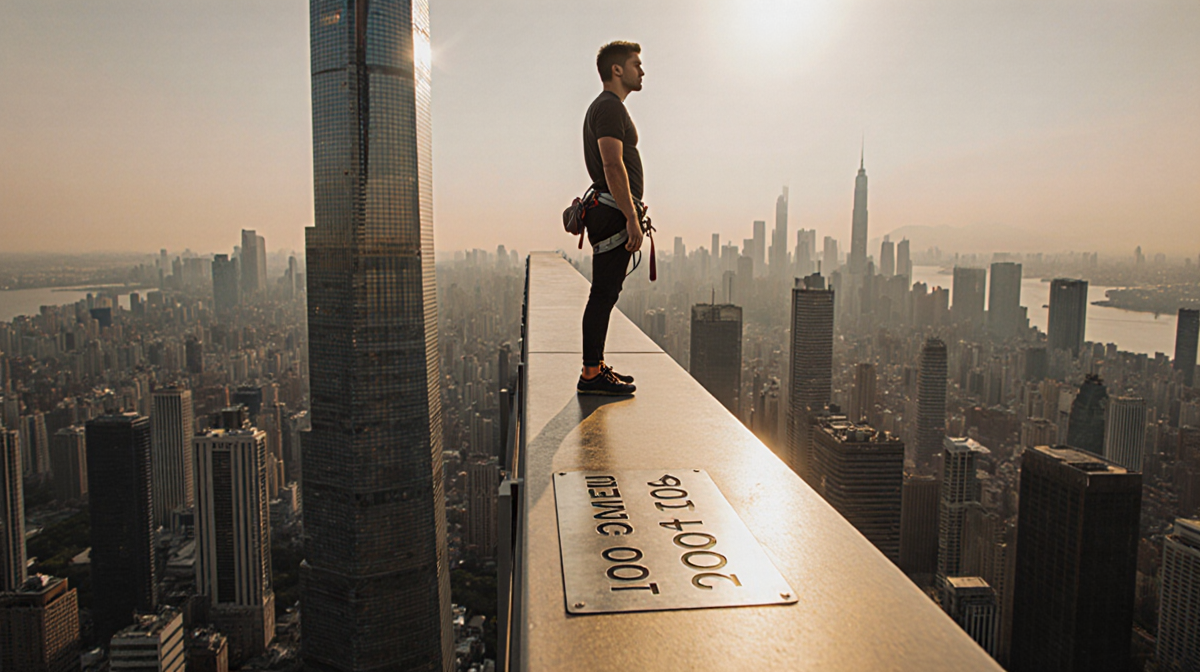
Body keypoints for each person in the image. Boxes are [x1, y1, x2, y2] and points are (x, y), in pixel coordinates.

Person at [577, 41, 645, 396]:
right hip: (613, 212)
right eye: (636, 64)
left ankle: (596, 366)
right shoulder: (609, 107)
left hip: (610, 209)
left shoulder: (605, 108)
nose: (642, 71)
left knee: (606, 292)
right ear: (617, 70)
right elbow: (611, 163)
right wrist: (631, 216)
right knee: (603, 293)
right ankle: (591, 375)